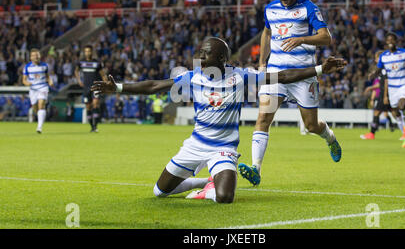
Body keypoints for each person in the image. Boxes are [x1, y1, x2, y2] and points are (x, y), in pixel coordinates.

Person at [91, 37, 347, 204]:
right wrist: (120, 88)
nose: (200, 58)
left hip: (223, 149)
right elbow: (155, 85)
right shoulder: (193, 77)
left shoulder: (242, 77)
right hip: (194, 145)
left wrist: (320, 69)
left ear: (222, 59)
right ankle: (205, 182)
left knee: (225, 198)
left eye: (206, 54)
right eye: (200, 53)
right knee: (160, 192)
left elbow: (283, 76)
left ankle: (215, 182)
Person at [238, 0, 342, 187]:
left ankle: (330, 138)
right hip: (276, 74)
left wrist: (301, 38)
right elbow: (267, 33)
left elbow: (326, 37)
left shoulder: (308, 8)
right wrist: (262, 62)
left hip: (304, 75)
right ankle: (256, 168)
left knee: (311, 125)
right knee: (263, 119)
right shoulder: (270, 9)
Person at [361, 50, 394, 140]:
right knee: (394, 113)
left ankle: (372, 133)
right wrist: (370, 88)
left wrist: (385, 96)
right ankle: (404, 132)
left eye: (376, 58)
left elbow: (386, 82)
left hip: (384, 94)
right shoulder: (381, 69)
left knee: (377, 112)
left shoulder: (383, 69)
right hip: (386, 94)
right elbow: (381, 83)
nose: (375, 60)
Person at [75, 45, 108, 132]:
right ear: (84, 52)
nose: (87, 53)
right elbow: (76, 71)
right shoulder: (81, 62)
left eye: (89, 51)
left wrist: (106, 83)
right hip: (86, 87)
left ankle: (95, 126)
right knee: (88, 107)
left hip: (95, 86)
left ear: (92, 52)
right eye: (86, 51)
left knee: (96, 103)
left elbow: (102, 74)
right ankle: (92, 126)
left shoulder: (97, 63)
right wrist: (79, 80)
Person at [22, 48, 54, 133]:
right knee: (35, 108)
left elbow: (47, 76)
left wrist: (50, 81)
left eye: (37, 55)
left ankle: (39, 127)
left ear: (39, 56)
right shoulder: (27, 67)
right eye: (34, 55)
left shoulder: (44, 65)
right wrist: (27, 83)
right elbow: (24, 80)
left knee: (41, 105)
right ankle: (40, 117)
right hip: (33, 89)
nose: (36, 57)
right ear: (30, 57)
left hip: (43, 87)